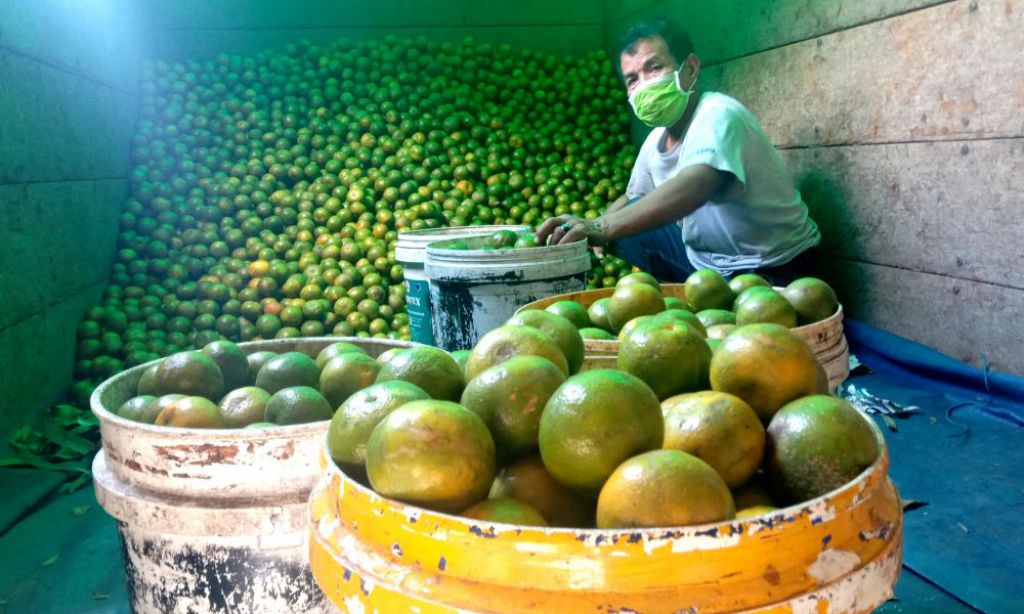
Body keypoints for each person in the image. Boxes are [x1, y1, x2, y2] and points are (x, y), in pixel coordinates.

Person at [536, 18, 821, 284]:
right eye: (632, 79)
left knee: (620, 225)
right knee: (628, 220)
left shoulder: (718, 114)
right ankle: (683, 298)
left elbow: (696, 185)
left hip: (770, 264)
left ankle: (703, 302)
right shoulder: (656, 140)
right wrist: (593, 230)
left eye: (654, 67)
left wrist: (602, 227)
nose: (644, 84)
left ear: (691, 68)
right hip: (706, 265)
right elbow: (633, 198)